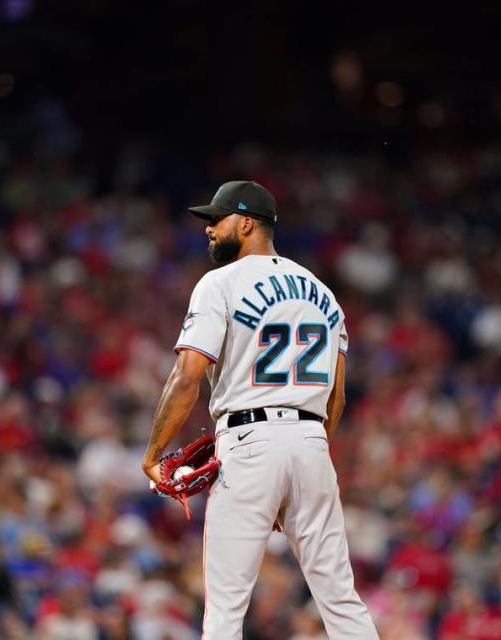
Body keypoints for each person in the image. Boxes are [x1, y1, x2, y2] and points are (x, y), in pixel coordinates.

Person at [142, 181, 378, 639]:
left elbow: (187, 375)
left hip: (249, 442)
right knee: (341, 598)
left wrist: (154, 454)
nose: (209, 228)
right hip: (312, 444)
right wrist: (298, 464)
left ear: (247, 222)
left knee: (226, 609)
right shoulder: (324, 293)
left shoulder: (220, 282)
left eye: (218, 218)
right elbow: (338, 398)